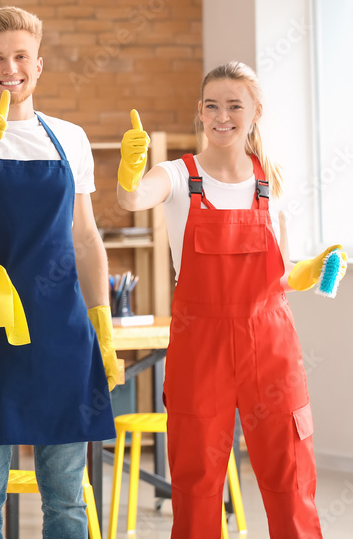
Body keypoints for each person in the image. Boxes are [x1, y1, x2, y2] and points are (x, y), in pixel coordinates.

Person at [116, 61, 346, 537]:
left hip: (272, 348)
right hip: (200, 351)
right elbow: (133, 199)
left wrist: (312, 270)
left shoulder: (271, 181)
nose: (222, 116)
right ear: (200, 113)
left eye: (234, 106)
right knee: (197, 483)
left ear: (256, 111)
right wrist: (128, 171)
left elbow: (281, 273)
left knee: (291, 478)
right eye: (212, 106)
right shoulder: (178, 175)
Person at [0, 6, 118, 538]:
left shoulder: (70, 137)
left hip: (63, 329)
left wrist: (100, 324)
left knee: (66, 500)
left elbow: (85, 238)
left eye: (20, 56)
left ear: (39, 65)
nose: (9, 67)